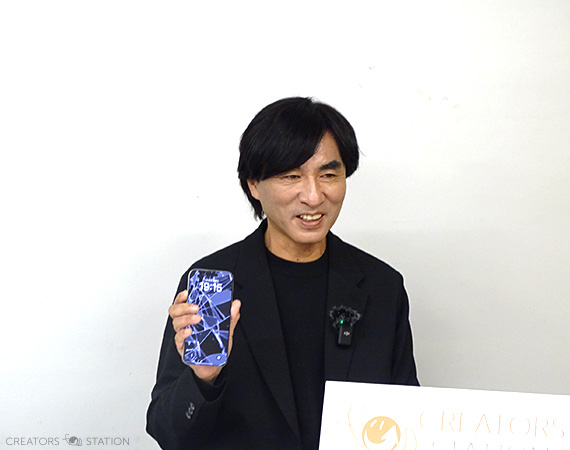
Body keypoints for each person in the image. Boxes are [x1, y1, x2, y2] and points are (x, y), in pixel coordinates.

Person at [146, 97, 419, 450]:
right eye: (291, 176)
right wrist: (203, 378)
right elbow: (168, 434)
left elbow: (406, 419)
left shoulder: (381, 287)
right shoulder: (215, 286)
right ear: (253, 184)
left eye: (328, 175)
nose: (314, 196)